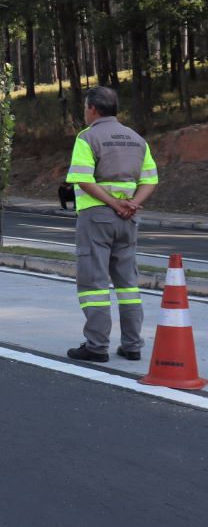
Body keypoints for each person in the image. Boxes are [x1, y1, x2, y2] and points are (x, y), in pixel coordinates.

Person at [64, 86, 159, 363]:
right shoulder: (137, 139)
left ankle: (96, 346)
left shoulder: (88, 136)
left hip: (96, 216)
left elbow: (83, 179)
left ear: (93, 109)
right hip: (128, 219)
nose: (84, 112)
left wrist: (114, 203)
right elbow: (150, 180)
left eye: (85, 107)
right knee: (128, 283)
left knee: (94, 283)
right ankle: (132, 345)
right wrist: (131, 204)